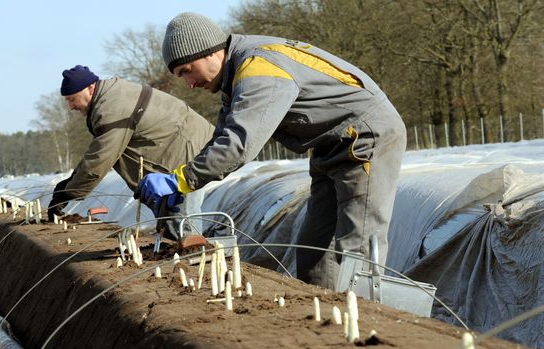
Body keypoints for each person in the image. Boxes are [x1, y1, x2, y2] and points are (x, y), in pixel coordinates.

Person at [135, 13, 407, 290]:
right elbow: (222, 138)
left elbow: (240, 144)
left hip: (364, 138)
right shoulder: (237, 78)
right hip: (331, 145)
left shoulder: (258, 67)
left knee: (356, 245)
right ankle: (323, 317)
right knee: (314, 247)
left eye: (186, 71)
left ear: (209, 52)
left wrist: (180, 180)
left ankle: (366, 323)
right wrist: (183, 184)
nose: (189, 83)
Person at [48, 65, 214, 240]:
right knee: (171, 218)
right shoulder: (109, 98)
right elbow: (97, 150)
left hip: (187, 150)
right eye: (67, 101)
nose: (71, 106)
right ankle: (178, 252)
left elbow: (100, 158)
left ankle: (189, 260)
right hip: (178, 146)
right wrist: (69, 183)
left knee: (182, 221)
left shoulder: (111, 108)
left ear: (90, 88)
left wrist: (69, 192)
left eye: (72, 99)